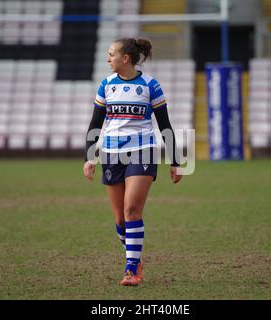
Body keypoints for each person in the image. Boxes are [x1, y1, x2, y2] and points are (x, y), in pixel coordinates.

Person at [83, 38, 182, 286]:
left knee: (131, 211)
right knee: (119, 219)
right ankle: (135, 257)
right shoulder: (106, 86)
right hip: (112, 153)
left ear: (125, 58)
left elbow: (165, 125)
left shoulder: (150, 85)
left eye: (111, 54)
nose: (108, 59)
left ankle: (131, 270)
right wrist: (90, 156)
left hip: (143, 150)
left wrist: (175, 160)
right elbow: (95, 124)